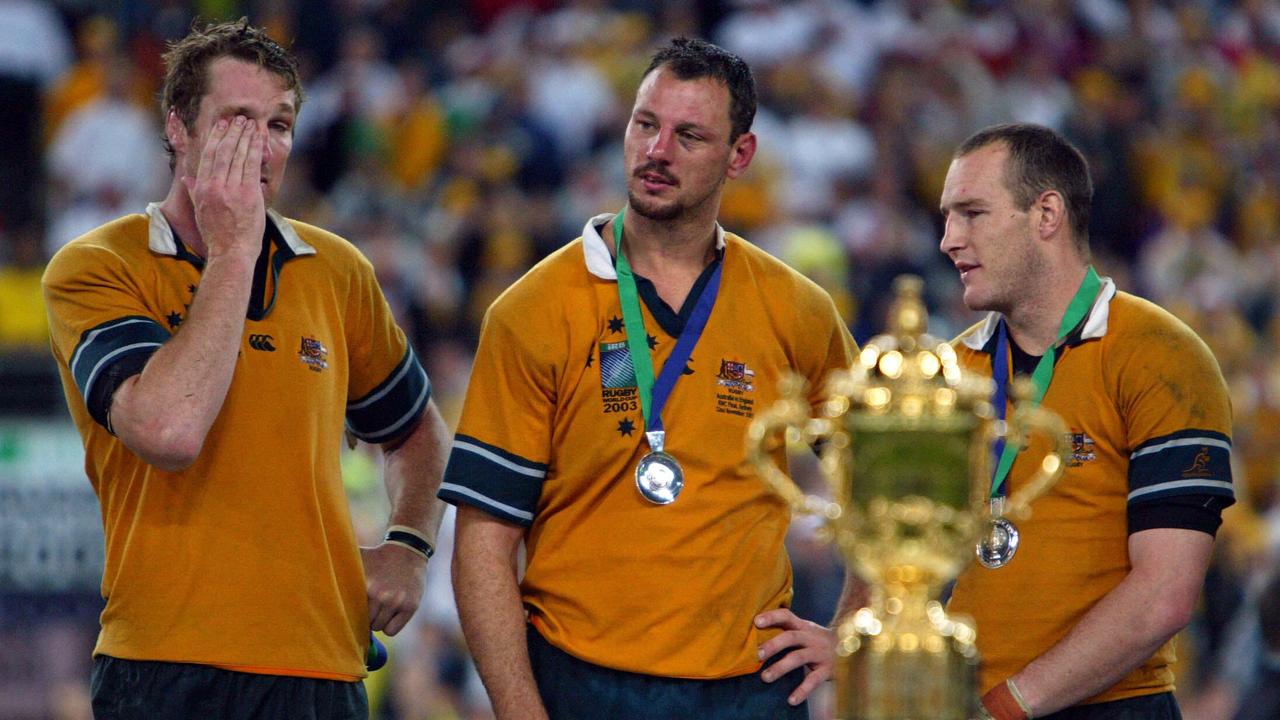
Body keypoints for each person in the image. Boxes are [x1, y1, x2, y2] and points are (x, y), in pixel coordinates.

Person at [41, 19, 450, 719]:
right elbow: (169, 430)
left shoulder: (338, 272)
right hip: (164, 665)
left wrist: (409, 547)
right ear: (178, 128)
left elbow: (418, 431)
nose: (261, 148)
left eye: (280, 125)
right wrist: (235, 250)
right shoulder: (98, 266)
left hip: (322, 667)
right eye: (236, 121)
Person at [440, 37, 857, 720]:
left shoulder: (796, 309)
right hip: (579, 683)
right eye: (645, 124)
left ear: (739, 156)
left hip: (749, 689)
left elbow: (885, 475)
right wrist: (520, 711)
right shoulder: (531, 311)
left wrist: (852, 634)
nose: (656, 151)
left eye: (689, 135)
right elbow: (483, 544)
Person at [938, 123, 1235, 719]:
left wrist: (1009, 705)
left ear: (1046, 214)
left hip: (1110, 707)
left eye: (971, 213)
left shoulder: (1160, 354)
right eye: (947, 217)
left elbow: (1164, 596)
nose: (948, 239)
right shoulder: (945, 372)